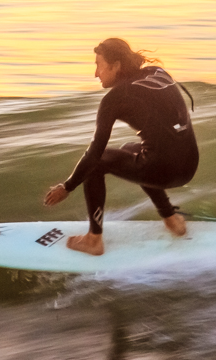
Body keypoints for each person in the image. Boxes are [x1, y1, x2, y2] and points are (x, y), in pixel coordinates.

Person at [43, 38, 199, 255]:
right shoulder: (158, 72)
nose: (95, 73)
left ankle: (93, 240)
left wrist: (67, 187)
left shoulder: (115, 98)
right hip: (190, 165)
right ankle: (171, 219)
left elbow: (95, 152)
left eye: (98, 65)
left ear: (116, 65)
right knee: (131, 148)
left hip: (165, 172)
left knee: (96, 163)